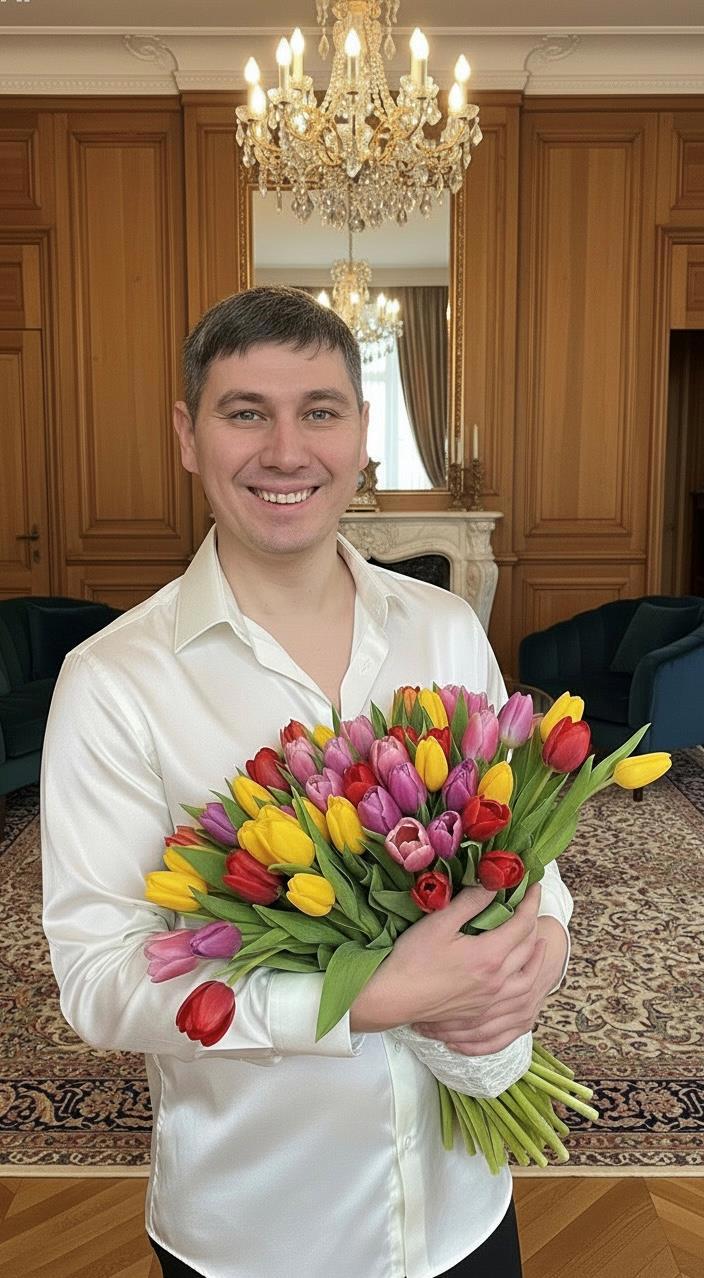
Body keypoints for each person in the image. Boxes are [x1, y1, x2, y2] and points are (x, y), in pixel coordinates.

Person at [41, 286, 573, 1278]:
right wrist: (356, 999)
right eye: (245, 412)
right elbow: (101, 981)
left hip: (465, 1205)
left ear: (362, 432)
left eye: (318, 411)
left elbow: (525, 853)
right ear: (188, 435)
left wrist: (543, 948)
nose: (286, 451)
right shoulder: (113, 682)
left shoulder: (445, 627)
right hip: (259, 1234)